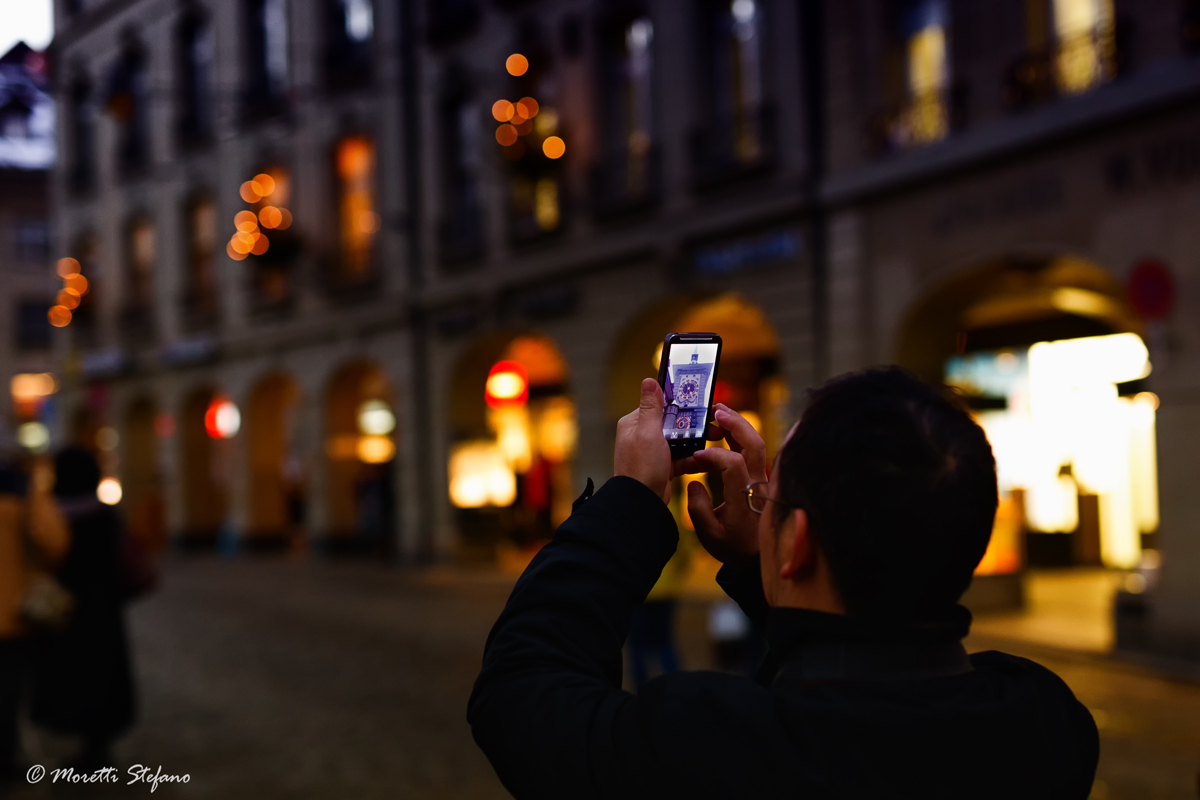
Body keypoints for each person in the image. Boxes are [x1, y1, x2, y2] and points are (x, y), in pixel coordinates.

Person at [468, 368, 1099, 799]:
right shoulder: (1047, 722)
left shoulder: (717, 748)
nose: (759, 495)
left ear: (797, 542)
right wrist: (762, 564)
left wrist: (631, 501)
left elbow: (520, 688)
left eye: (774, 498)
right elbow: (862, 656)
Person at [31, 447, 136, 770]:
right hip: (103, 610)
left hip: (65, 610)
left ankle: (83, 739)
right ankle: (98, 742)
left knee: (73, 675)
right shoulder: (104, 515)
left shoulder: (53, 516)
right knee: (103, 674)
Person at [0, 455, 68, 781]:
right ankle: (6, 756)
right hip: (9, 611)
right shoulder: (17, 485)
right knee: (8, 690)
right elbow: (54, 540)